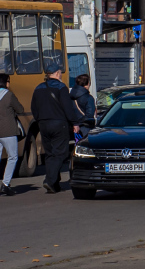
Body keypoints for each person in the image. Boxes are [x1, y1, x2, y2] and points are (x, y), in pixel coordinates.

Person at [29, 65, 80, 193]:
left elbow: (33, 107)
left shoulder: (38, 88)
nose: (61, 75)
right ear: (57, 73)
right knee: (60, 153)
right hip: (59, 124)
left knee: (50, 154)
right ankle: (49, 180)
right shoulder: (61, 87)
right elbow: (68, 108)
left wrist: (39, 120)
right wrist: (74, 123)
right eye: (60, 72)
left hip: (43, 124)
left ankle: (54, 184)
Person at [0, 73, 26, 195]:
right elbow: (20, 109)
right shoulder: (9, 95)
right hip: (8, 131)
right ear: (6, 83)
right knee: (12, 157)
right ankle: (5, 184)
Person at [70, 73, 95, 140]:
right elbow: (90, 115)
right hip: (85, 128)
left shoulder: (70, 96)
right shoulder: (88, 98)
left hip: (73, 127)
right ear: (87, 84)